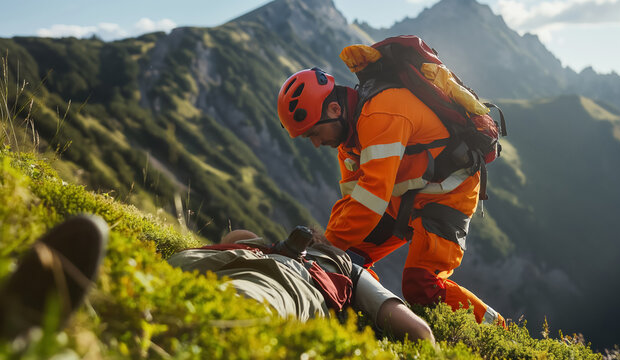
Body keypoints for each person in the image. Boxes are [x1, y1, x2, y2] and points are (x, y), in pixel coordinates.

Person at [277, 67, 505, 326]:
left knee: (420, 286)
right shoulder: (348, 145)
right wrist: (328, 247)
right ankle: (372, 318)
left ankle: (494, 328)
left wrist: (324, 249)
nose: (316, 143)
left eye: (314, 133)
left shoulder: (381, 113)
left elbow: (371, 199)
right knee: (347, 259)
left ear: (335, 110)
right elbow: (353, 204)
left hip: (447, 193)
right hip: (405, 194)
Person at [168, 227, 436, 343]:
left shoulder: (259, 245)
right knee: (242, 311)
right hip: (285, 286)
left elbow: (237, 235)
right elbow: (420, 332)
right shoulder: (347, 270)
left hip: (216, 263)